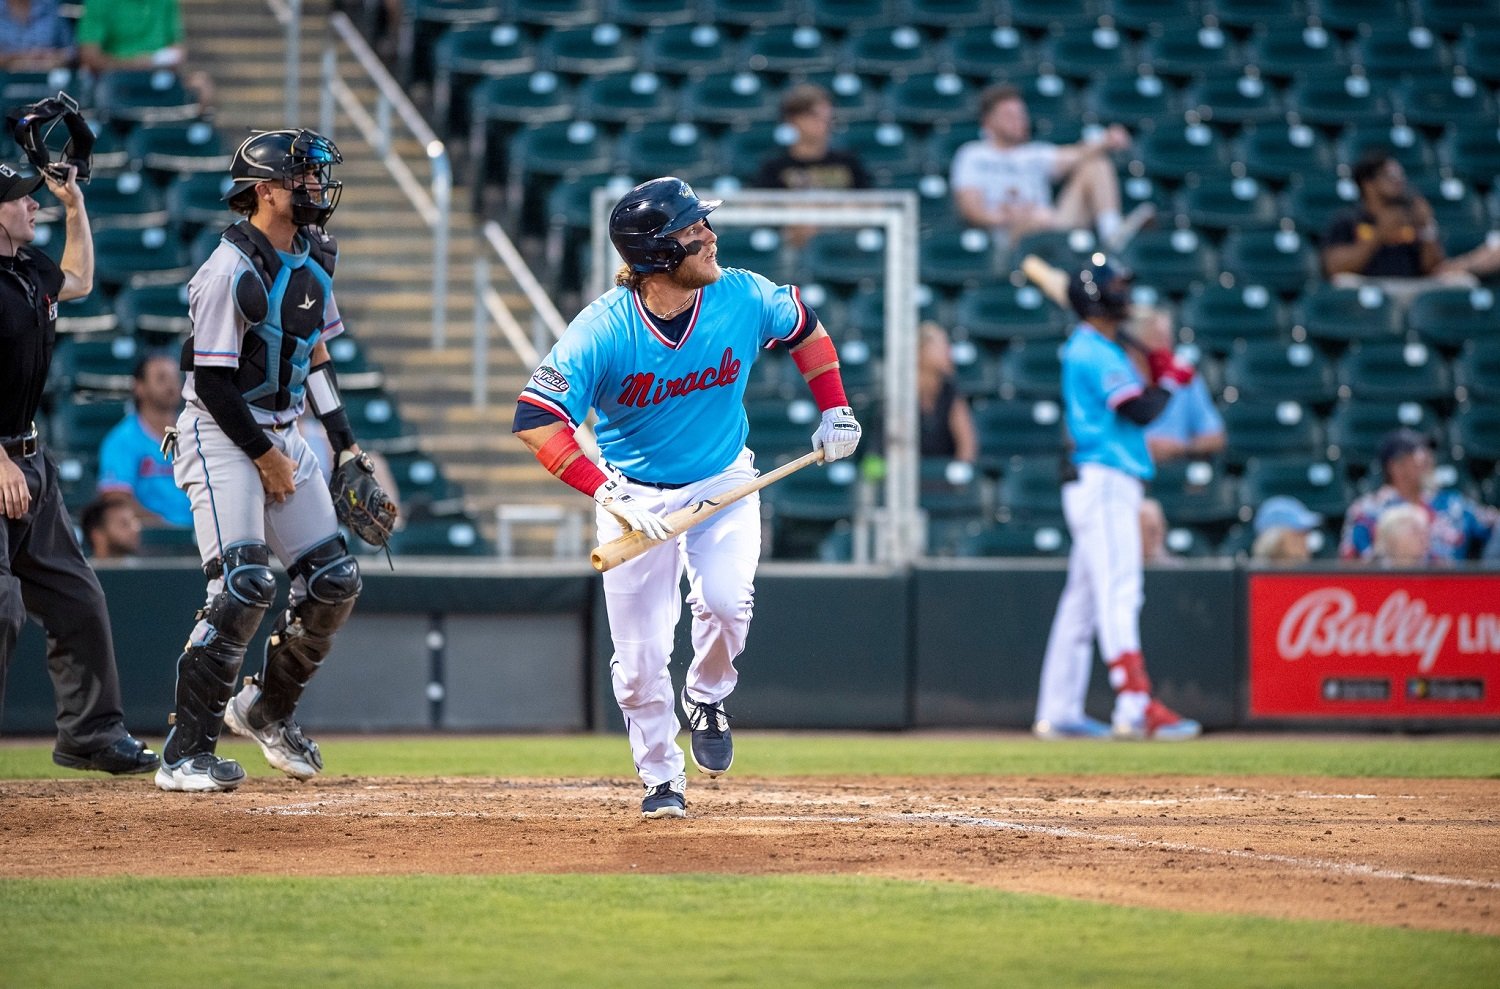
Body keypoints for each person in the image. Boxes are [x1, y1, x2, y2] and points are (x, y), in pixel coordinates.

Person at [513, 177, 862, 818]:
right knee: (642, 660)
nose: (709, 236)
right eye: (692, 230)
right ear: (654, 256)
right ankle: (660, 780)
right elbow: (537, 418)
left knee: (728, 605)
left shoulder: (742, 294)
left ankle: (706, 695)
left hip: (724, 480)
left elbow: (806, 330)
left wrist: (836, 409)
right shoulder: (602, 330)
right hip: (635, 499)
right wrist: (608, 490)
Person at [158, 128, 385, 792]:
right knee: (243, 586)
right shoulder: (227, 270)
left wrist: (343, 441)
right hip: (221, 431)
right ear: (265, 191)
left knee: (335, 580)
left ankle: (266, 708)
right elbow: (211, 383)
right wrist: (265, 458)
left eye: (315, 176)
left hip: (285, 431)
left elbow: (312, 352)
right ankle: (185, 752)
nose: (315, 187)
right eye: (302, 177)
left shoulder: (313, 258)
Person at [0, 153, 159, 775]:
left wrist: (77, 208)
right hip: (3, 463)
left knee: (78, 599)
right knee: (2, 607)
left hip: (29, 464)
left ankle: (91, 734)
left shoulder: (23, 268)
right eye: (20, 197)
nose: (30, 202)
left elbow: (80, 279)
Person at [1032, 258, 1201, 742]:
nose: (1125, 293)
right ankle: (1134, 704)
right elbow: (1140, 410)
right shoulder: (1094, 351)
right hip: (1105, 478)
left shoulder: (1097, 345)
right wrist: (1169, 380)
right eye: (1118, 287)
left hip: (1101, 479)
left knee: (1083, 602)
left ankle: (1059, 710)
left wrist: (1159, 375)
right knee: (1119, 590)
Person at [950, 83, 1152, 252]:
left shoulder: (1034, 152)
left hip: (1052, 224)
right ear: (988, 121)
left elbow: (1075, 155)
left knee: (1096, 163)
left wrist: (1107, 140)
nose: (1019, 121)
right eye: (1009, 115)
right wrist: (1006, 216)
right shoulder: (973, 155)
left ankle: (1112, 236)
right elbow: (971, 210)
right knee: (1039, 217)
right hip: (1007, 236)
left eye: (1021, 115)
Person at [1320, 151, 1493, 303]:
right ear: (1368, 184)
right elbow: (1335, 268)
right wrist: (1379, 235)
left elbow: (1433, 267)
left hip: (1414, 288)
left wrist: (1426, 228)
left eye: (1400, 176)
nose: (1399, 182)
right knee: (1343, 283)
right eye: (1390, 176)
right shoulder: (1348, 219)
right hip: (1371, 287)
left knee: (1464, 283)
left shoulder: (1412, 216)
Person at [1339, 428, 1496, 564]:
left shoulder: (1453, 504)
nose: (1429, 459)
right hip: (1394, 593)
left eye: (1429, 453)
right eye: (1420, 454)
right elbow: (1350, 565)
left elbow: (1493, 524)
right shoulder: (1367, 511)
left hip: (1453, 592)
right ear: (1396, 466)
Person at [752, 84, 871, 250]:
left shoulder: (849, 162)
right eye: (814, 115)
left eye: (827, 115)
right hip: (793, 246)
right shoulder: (775, 166)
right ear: (794, 119)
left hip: (844, 242)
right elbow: (759, 209)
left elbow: (872, 203)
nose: (824, 122)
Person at [97, 352, 194, 529]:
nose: (171, 385)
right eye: (161, 378)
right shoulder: (122, 440)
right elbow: (117, 500)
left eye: (175, 377)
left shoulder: (195, 432)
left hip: (203, 535)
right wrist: (164, 528)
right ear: (139, 387)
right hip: (149, 542)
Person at [75, 0, 215, 108]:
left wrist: (153, 62)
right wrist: (132, 65)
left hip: (157, 77)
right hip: (115, 82)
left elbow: (178, 50)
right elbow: (89, 56)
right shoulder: (100, 2)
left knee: (202, 86)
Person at [1131, 306, 1225, 465]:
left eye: (1168, 339)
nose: (1164, 346)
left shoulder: (1182, 373)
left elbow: (1216, 438)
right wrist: (1142, 446)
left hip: (1175, 466)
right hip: (1128, 467)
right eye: (1157, 338)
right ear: (1136, 344)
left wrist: (1180, 447)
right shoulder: (1119, 375)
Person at [918, 321, 978, 464]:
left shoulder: (950, 391)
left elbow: (967, 446)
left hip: (944, 480)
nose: (948, 352)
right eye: (941, 346)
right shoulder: (899, 393)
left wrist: (956, 478)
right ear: (920, 351)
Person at [0, 0, 75, 71]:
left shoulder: (51, 6)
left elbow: (72, 51)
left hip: (47, 78)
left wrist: (56, 58)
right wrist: (14, 58)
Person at [1250, 495, 1322, 564]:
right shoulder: (1252, 575)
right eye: (1298, 533)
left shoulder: (1310, 574)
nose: (1305, 541)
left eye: (1306, 533)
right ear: (1275, 541)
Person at [80, 492, 141, 559]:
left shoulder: (143, 567)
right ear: (97, 535)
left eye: (134, 523)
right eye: (124, 524)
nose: (135, 529)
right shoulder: (81, 569)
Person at [1372, 502, 1431, 568]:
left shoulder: (1434, 569)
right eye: (1415, 532)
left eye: (1424, 533)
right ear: (1391, 538)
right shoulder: (1369, 573)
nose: (1423, 539)